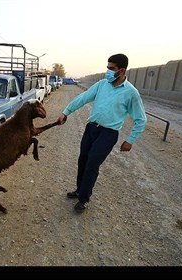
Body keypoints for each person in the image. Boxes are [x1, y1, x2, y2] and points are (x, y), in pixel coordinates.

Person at [56, 53, 147, 213]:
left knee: (92, 164)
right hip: (91, 128)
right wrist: (66, 111)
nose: (108, 71)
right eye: (107, 68)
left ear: (122, 70)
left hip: (108, 134)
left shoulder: (131, 93)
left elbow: (141, 119)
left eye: (111, 69)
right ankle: (79, 190)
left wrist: (130, 140)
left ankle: (84, 199)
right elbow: (84, 97)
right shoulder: (101, 85)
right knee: (83, 160)